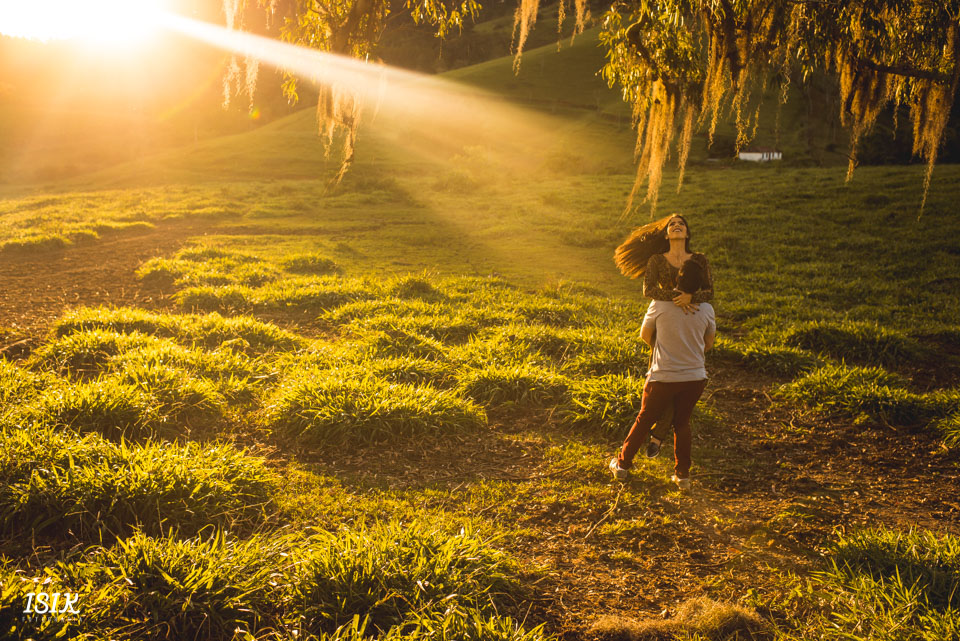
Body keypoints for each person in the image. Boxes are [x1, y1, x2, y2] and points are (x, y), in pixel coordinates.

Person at [608, 258, 716, 489]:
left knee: (645, 419)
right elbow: (708, 343)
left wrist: (665, 347)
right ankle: (683, 476)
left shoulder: (658, 304)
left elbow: (645, 335)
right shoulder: (707, 309)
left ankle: (622, 466)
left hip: (663, 375)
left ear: (677, 278)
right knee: (682, 423)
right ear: (701, 286)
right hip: (695, 377)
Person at [614, 214, 714, 457]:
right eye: (672, 224)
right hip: (664, 323)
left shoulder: (699, 259)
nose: (677, 226)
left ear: (687, 233)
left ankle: (657, 437)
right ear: (667, 234)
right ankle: (657, 436)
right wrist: (677, 300)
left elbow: (709, 292)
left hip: (692, 318)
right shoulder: (657, 260)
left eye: (682, 223)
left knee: (679, 383)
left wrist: (691, 299)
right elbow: (649, 290)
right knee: (663, 382)